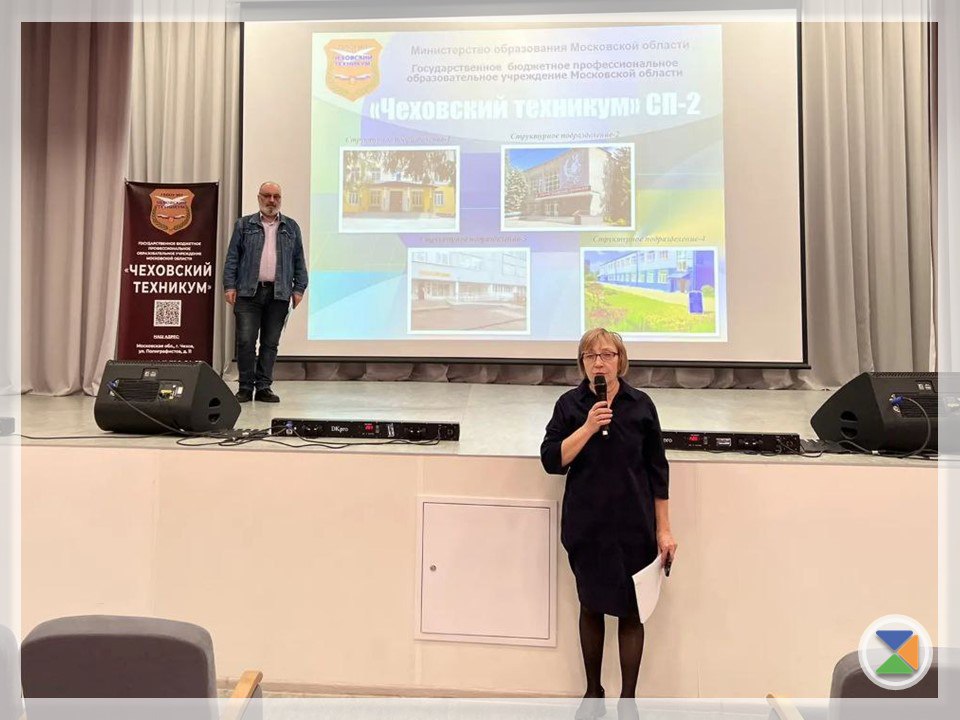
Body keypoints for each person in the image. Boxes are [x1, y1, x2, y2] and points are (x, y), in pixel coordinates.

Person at [540, 328, 677, 718]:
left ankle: (628, 700)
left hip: (634, 526)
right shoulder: (570, 405)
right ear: (582, 364)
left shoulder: (641, 405)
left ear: (620, 360)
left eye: (606, 354)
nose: (598, 363)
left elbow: (658, 471)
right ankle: (593, 692)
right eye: (590, 356)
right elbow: (551, 460)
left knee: (631, 612)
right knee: (591, 605)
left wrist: (664, 529)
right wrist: (587, 427)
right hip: (588, 526)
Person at [223, 181, 307, 403]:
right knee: (245, 342)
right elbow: (232, 258)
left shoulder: (291, 227)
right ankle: (244, 387)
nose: (272, 200)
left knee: (270, 343)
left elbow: (299, 260)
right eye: (267, 196)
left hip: (278, 294)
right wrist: (229, 285)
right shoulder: (244, 225)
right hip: (248, 294)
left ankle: (263, 387)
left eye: (276, 196)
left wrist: (299, 288)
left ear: (280, 199)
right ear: (259, 197)